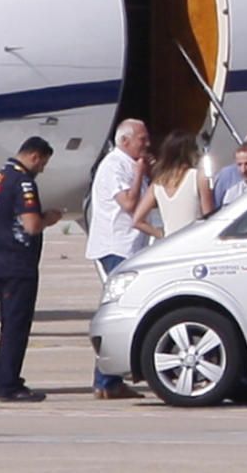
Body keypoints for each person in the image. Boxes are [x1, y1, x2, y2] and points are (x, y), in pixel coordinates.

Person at [0, 136, 62, 402]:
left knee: (8, 323)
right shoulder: (23, 182)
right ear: (35, 157)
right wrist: (49, 218)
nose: (42, 169)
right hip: (19, 263)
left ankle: (4, 378)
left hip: (0, 261)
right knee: (16, 326)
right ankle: (7, 384)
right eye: (42, 163)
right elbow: (31, 225)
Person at [85, 118, 150, 400]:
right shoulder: (115, 165)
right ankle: (106, 380)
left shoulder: (128, 163)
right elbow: (129, 204)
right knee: (118, 311)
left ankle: (107, 378)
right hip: (116, 248)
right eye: (142, 139)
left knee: (123, 311)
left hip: (130, 247)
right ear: (125, 141)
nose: (146, 144)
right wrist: (139, 173)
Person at [132, 130, 213, 239]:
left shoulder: (157, 183)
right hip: (195, 241)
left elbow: (137, 220)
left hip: (170, 244)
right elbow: (209, 217)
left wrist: (161, 234)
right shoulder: (198, 176)